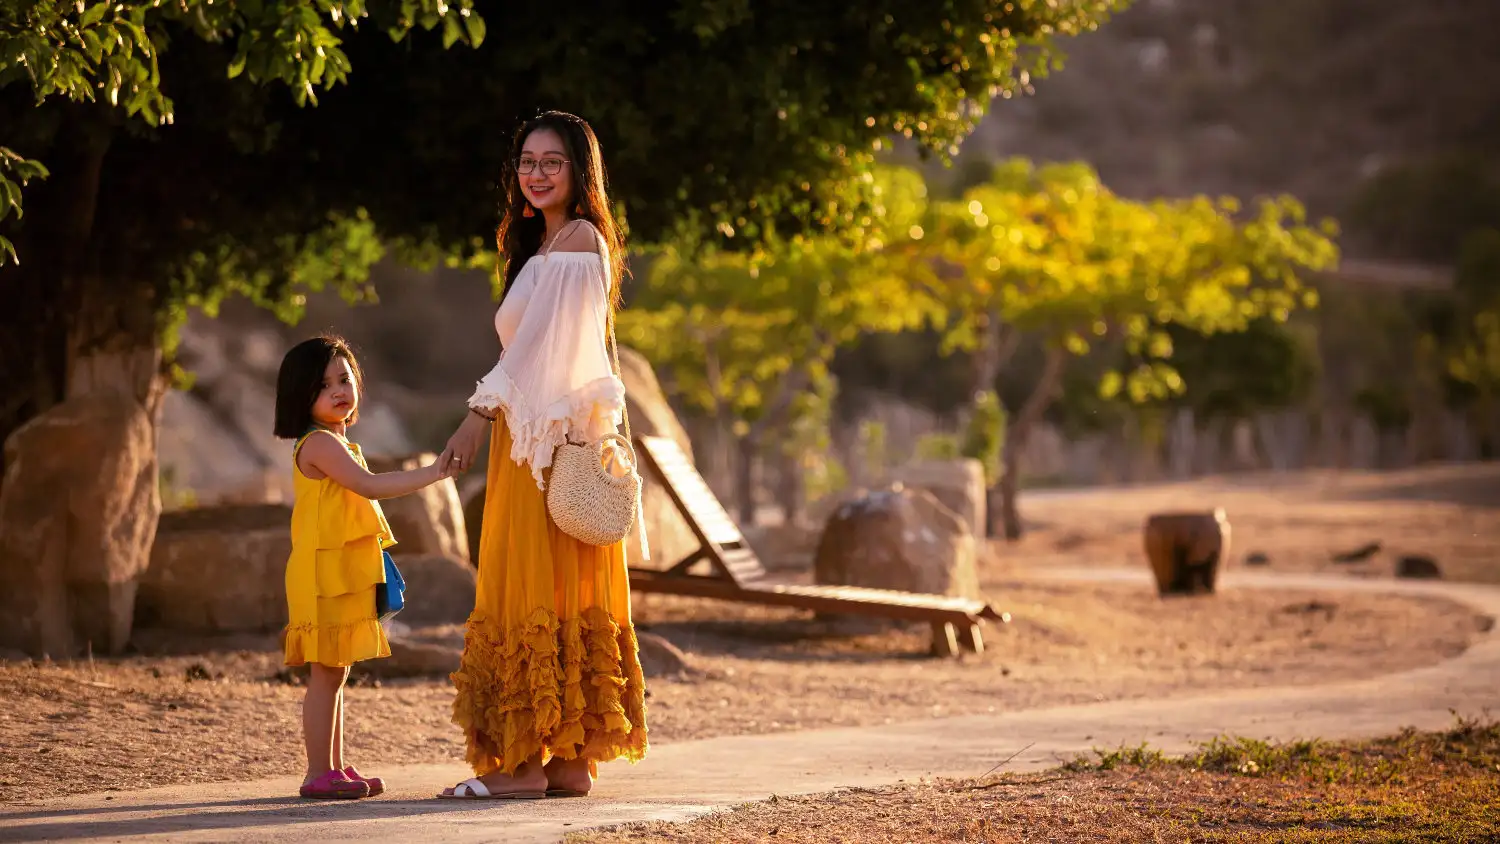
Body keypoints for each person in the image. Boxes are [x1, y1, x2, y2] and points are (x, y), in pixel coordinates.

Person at [438, 111, 648, 800]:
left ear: (580, 172)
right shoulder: (547, 243)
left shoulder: (580, 239)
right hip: (544, 440)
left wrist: (476, 415)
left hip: (542, 448)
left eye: (551, 161)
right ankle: (566, 763)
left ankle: (522, 766)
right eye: (527, 161)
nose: (535, 173)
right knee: (554, 586)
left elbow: (533, 353)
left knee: (526, 582)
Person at [273, 334, 451, 799]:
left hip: (340, 570)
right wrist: (433, 472)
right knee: (325, 672)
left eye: (344, 378)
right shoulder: (317, 445)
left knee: (337, 670)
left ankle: (332, 766)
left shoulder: (338, 442)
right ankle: (317, 774)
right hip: (321, 574)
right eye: (323, 384)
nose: (338, 389)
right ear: (301, 395)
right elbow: (370, 488)